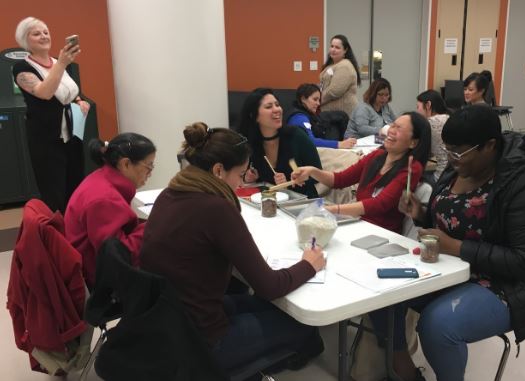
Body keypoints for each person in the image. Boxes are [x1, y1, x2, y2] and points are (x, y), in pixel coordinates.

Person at [369, 105, 525, 381]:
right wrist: (422, 214)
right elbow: (452, 221)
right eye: (448, 150)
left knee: (438, 325)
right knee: (382, 292)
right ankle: (404, 369)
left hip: (512, 284)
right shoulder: (459, 166)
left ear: (490, 146)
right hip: (454, 266)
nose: (451, 159)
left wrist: (457, 248)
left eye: (458, 152)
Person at [140, 122, 326, 374]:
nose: (240, 184)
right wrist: (308, 265)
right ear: (218, 170)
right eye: (239, 174)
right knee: (304, 325)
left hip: (167, 320)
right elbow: (269, 286)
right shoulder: (215, 208)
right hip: (200, 342)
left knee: (265, 306)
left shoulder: (171, 192)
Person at [292, 112, 431, 234]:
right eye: (392, 125)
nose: (391, 131)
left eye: (399, 129)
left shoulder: (412, 167)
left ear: (413, 143)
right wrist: (312, 171)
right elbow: (340, 179)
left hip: (382, 235)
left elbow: (379, 204)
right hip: (357, 225)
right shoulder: (376, 155)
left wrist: (332, 209)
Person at [13, 17, 90, 213]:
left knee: (75, 186)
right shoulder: (22, 68)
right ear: (25, 40)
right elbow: (45, 92)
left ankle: (76, 232)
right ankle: (58, 237)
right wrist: (62, 64)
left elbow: (69, 91)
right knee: (54, 192)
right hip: (46, 139)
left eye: (45, 32)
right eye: (36, 33)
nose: (43, 36)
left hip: (72, 134)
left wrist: (80, 101)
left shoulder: (57, 62)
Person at [65, 133, 156, 289]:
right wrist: (155, 225)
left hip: (94, 268)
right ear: (126, 164)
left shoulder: (101, 178)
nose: (150, 173)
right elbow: (117, 260)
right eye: (148, 167)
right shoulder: (104, 200)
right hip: (100, 284)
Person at [237, 88, 322, 198]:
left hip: (302, 202)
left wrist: (291, 182)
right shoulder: (249, 142)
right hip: (267, 202)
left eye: (277, 105)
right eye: (269, 107)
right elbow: (238, 175)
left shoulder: (296, 136)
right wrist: (247, 177)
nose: (276, 109)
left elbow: (318, 174)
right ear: (254, 116)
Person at [287, 83, 357, 149]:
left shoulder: (308, 114)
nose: (318, 103)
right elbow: (310, 141)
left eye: (319, 100)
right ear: (303, 99)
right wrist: (339, 144)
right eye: (315, 99)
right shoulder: (299, 118)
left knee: (341, 116)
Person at [319, 34, 361, 117]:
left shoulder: (345, 66)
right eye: (332, 46)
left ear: (345, 50)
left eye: (337, 47)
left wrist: (317, 100)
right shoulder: (331, 65)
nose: (333, 50)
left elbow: (334, 91)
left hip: (342, 117)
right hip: (332, 116)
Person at [416, 89, 450, 182]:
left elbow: (420, 152)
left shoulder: (431, 122)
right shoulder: (448, 117)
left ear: (428, 105)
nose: (416, 111)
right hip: (453, 174)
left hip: (441, 177)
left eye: (417, 107)